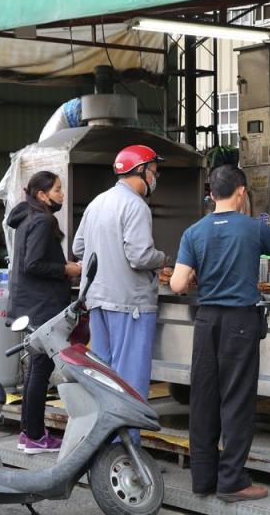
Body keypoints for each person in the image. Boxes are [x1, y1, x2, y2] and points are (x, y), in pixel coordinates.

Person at [169, 165, 270, 502]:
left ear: (212, 195)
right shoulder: (255, 228)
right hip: (240, 322)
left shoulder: (194, 232)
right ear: (241, 192)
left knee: (204, 399)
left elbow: (176, 284)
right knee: (236, 399)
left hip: (206, 322)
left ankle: (203, 479)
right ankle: (231, 481)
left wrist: (195, 277)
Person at [71, 145, 170, 432]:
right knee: (130, 382)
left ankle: (105, 444)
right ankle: (128, 452)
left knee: (106, 378)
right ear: (141, 170)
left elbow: (78, 247)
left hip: (97, 301)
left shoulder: (97, 202)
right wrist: (162, 258)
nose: (156, 175)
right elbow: (140, 256)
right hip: (131, 304)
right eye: (154, 169)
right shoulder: (136, 205)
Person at [7, 171, 82, 454]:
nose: (62, 194)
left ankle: (29, 433)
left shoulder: (27, 217)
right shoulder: (42, 220)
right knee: (41, 369)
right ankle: (36, 436)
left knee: (36, 369)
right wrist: (68, 269)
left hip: (29, 304)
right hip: (41, 306)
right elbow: (33, 264)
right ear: (42, 194)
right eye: (58, 189)